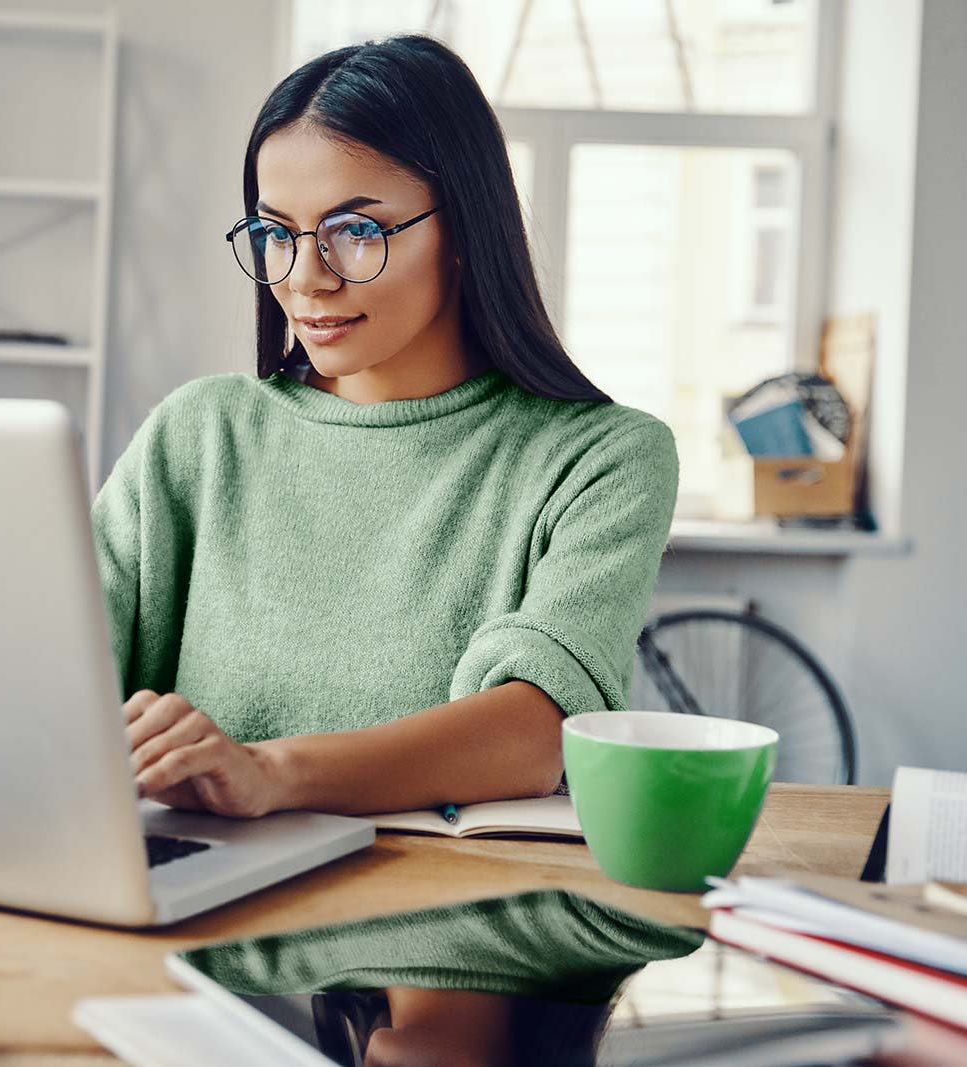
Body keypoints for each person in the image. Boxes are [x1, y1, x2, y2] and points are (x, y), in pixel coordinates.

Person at [90, 34, 679, 819]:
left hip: (453, 920)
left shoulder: (602, 459)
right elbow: (54, 669)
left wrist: (270, 770)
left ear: (465, 231)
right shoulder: (198, 434)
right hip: (199, 908)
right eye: (275, 234)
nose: (305, 279)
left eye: (355, 231)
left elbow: (533, 734)